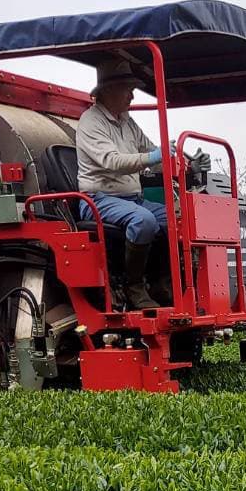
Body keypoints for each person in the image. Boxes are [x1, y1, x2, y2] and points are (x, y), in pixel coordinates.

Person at [75, 60, 173, 309]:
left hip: (131, 200)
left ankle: (160, 283)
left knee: (175, 219)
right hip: (98, 200)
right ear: (107, 91)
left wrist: (183, 160)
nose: (131, 96)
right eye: (127, 89)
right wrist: (152, 158)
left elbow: (153, 152)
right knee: (144, 220)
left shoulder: (127, 122)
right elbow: (112, 161)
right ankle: (134, 287)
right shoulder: (91, 122)